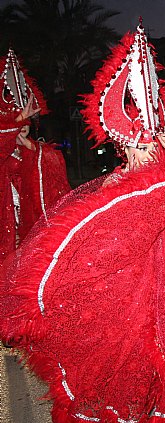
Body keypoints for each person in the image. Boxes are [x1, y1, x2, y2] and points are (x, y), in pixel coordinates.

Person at [0, 23, 165, 423]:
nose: (142, 153)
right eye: (135, 146)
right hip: (130, 293)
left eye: (146, 145)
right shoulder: (117, 184)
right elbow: (116, 232)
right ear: (121, 145)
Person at [0, 48, 70, 264]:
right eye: (16, 121)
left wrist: (31, 148)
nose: (22, 126)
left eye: (26, 121)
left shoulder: (37, 150)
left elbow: (55, 168)